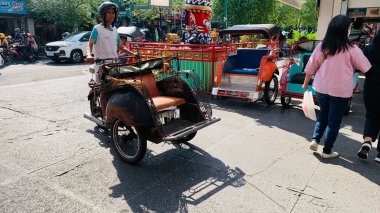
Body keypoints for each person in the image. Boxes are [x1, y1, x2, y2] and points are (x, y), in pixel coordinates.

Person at [302, 15, 372, 159]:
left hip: (321, 87)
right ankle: (327, 151)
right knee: (334, 121)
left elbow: (311, 66)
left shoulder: (322, 46)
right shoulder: (352, 49)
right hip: (340, 91)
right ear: (344, 30)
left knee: (323, 115)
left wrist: (305, 82)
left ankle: (315, 140)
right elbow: (366, 68)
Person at [85, 1, 136, 72]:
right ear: (103, 14)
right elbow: (90, 45)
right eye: (108, 12)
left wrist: (133, 54)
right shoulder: (97, 29)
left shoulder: (115, 30)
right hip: (101, 67)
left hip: (114, 65)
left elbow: (121, 47)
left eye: (113, 13)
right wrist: (89, 55)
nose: (111, 15)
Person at [357, 30, 380, 162]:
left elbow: (362, 67)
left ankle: (367, 141)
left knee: (371, 114)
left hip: (372, 86)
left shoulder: (369, 48)